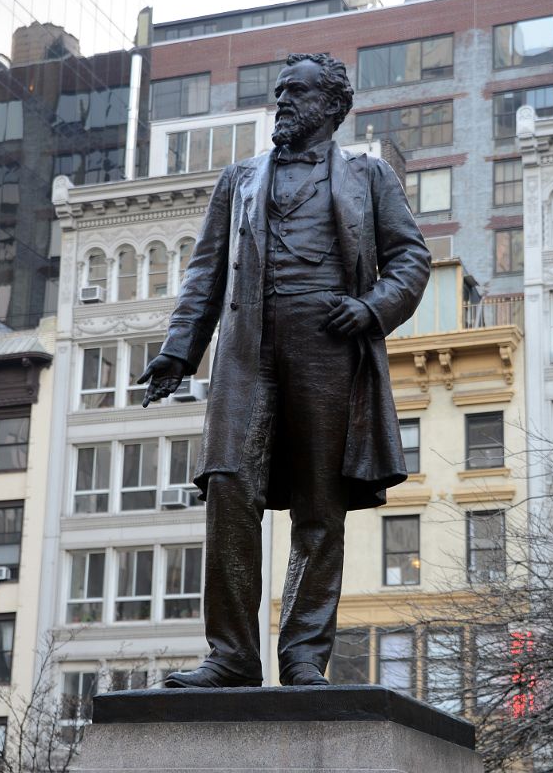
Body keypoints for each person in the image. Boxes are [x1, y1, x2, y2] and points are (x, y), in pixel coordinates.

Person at [138, 52, 430, 688]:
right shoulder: (240, 178)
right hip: (248, 351)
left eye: (295, 92)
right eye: (279, 93)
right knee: (228, 488)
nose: (283, 102)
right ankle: (232, 655)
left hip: (328, 346)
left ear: (330, 104)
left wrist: (371, 307)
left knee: (319, 506)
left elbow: (410, 258)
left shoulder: (369, 175)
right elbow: (205, 272)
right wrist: (179, 350)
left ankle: (303, 655)